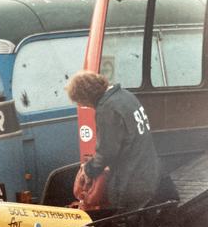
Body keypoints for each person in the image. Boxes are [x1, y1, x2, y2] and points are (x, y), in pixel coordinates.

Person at [65, 70, 176, 212]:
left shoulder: (107, 108)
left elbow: (107, 151)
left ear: (87, 95)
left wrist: (89, 169)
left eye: (83, 103)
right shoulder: (125, 96)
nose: (87, 106)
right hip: (152, 172)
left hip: (132, 182)